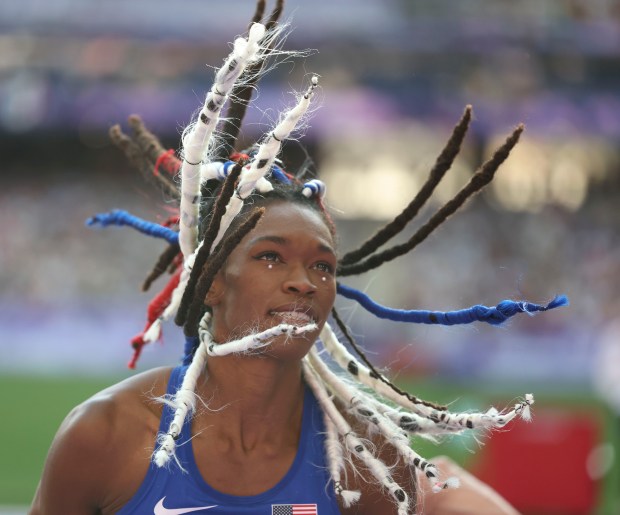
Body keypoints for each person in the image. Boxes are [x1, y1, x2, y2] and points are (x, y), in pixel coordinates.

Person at [30, 2, 567, 513]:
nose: (303, 282)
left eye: (322, 266)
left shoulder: (368, 460)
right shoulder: (105, 436)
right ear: (211, 282)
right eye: (270, 257)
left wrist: (451, 493)